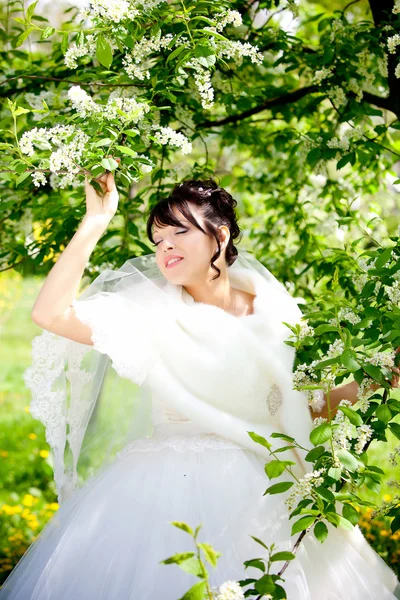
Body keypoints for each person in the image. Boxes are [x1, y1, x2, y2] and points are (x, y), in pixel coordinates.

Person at [1, 173, 399, 600]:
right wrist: (97, 220)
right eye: (157, 240)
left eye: (179, 231)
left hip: (266, 490)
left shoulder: (276, 312)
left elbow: (310, 407)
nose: (165, 245)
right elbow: (50, 314)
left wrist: (379, 377)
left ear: (219, 235)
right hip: (164, 492)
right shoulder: (147, 309)